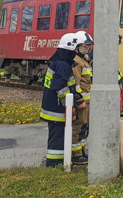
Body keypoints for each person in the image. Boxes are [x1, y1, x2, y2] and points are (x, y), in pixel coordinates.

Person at [40, 33, 87, 167]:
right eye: (76, 49)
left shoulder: (60, 63)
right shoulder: (62, 65)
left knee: (59, 136)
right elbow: (59, 87)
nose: (77, 52)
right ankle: (54, 164)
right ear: (70, 50)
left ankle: (59, 162)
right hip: (56, 109)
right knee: (57, 138)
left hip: (55, 107)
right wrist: (69, 104)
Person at [72, 31, 93, 159]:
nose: (86, 48)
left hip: (87, 102)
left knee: (85, 127)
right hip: (82, 102)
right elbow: (76, 84)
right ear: (76, 47)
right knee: (79, 126)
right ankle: (76, 153)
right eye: (83, 46)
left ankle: (82, 151)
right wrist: (79, 101)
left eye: (88, 46)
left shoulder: (84, 60)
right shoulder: (77, 62)